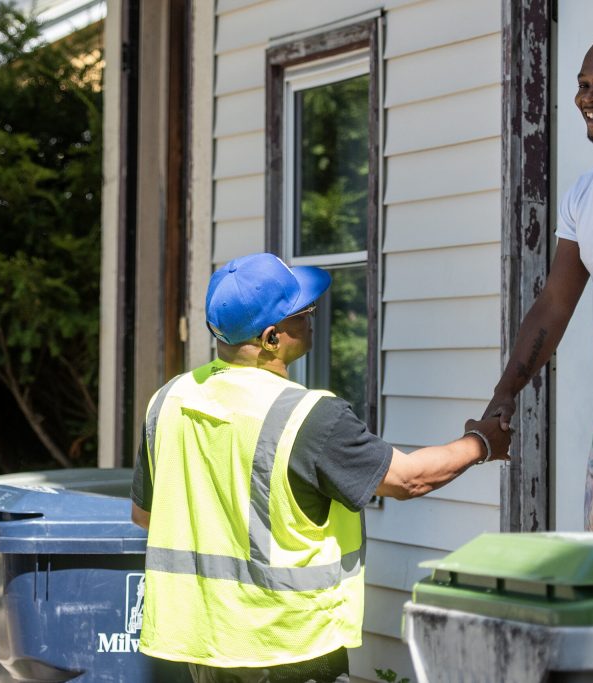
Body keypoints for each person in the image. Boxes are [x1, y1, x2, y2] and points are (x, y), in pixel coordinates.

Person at [130, 252, 510, 683]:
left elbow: (145, 515)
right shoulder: (307, 416)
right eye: (304, 313)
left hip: (203, 647)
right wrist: (481, 443)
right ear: (272, 337)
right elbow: (408, 478)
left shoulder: (169, 400)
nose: (313, 319)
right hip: (289, 647)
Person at [483, 33, 593, 532]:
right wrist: (505, 393)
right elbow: (554, 305)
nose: (588, 99)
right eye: (583, 85)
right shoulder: (583, 192)